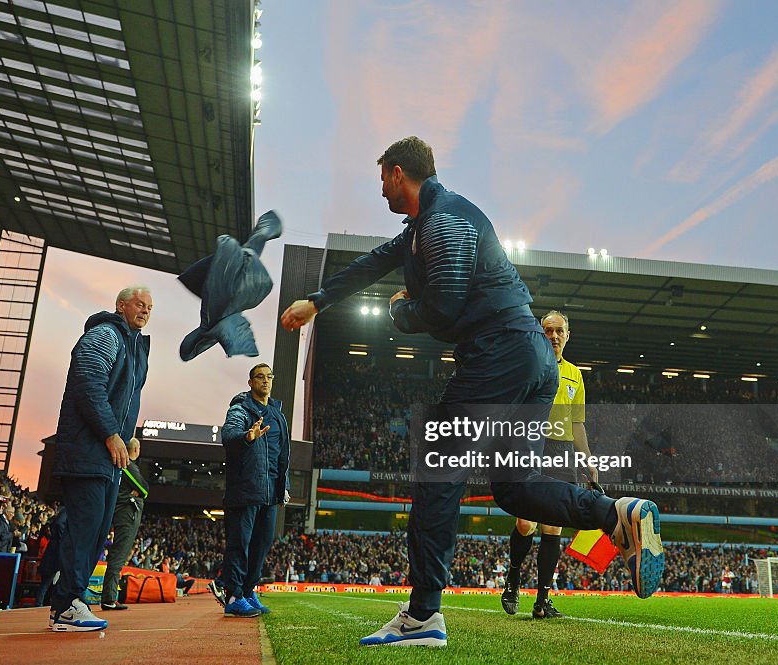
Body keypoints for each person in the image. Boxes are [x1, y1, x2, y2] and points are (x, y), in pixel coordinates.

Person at [281, 136, 665, 647]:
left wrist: (400, 311)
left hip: (500, 352)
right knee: (515, 488)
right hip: (529, 359)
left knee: (437, 474)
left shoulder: (445, 219)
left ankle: (423, 616)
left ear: (399, 174)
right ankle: (614, 514)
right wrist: (317, 299)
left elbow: (443, 306)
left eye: (382, 182)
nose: (380, 193)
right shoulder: (425, 224)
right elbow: (374, 261)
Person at [49, 286, 152, 632]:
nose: (146, 310)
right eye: (140, 304)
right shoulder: (106, 334)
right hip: (88, 449)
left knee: (95, 533)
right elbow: (88, 381)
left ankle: (70, 602)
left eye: (150, 307)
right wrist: (110, 433)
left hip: (107, 455)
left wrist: (125, 435)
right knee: (84, 528)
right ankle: (66, 605)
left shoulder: (135, 347)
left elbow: (122, 398)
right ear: (121, 305)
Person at [501, 310, 594, 619]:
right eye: (548, 330)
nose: (554, 335)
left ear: (568, 336)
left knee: (554, 524)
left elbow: (578, 422)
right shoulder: (528, 364)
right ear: (541, 334)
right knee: (526, 522)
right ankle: (513, 579)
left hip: (562, 450)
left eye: (559, 331)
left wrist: (587, 460)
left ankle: (542, 600)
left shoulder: (575, 374)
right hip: (531, 445)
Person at [216, 363, 290, 618]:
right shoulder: (240, 408)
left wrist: (284, 485)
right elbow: (229, 435)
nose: (266, 381)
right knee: (240, 543)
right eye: (260, 377)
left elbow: (282, 455)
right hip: (245, 490)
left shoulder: (278, 415)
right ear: (250, 383)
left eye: (269, 376)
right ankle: (234, 596)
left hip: (270, 493)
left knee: (262, 544)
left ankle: (248, 591)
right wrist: (248, 436)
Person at [100, 441, 147, 610]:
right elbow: (145, 488)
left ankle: (108, 596)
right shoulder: (128, 465)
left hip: (115, 511)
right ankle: (109, 598)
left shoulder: (117, 464)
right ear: (135, 450)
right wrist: (135, 492)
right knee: (118, 556)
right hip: (125, 514)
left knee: (114, 556)